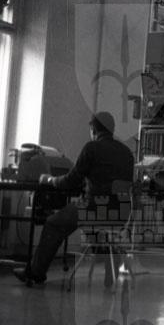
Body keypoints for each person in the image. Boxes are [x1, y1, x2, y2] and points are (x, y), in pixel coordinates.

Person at [13, 111, 135, 285]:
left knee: (53, 223)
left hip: (93, 210)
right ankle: (111, 270)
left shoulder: (92, 148)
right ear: (112, 130)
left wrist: (50, 179)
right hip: (121, 215)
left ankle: (35, 273)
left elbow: (70, 181)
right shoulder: (127, 153)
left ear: (93, 129)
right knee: (101, 229)